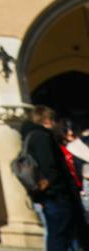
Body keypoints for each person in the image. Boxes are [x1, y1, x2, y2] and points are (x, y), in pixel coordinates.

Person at [21, 106, 86, 251]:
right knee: (60, 236)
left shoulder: (29, 138)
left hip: (49, 196)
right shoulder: (41, 137)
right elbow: (50, 167)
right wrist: (58, 187)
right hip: (56, 196)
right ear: (47, 120)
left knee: (59, 235)